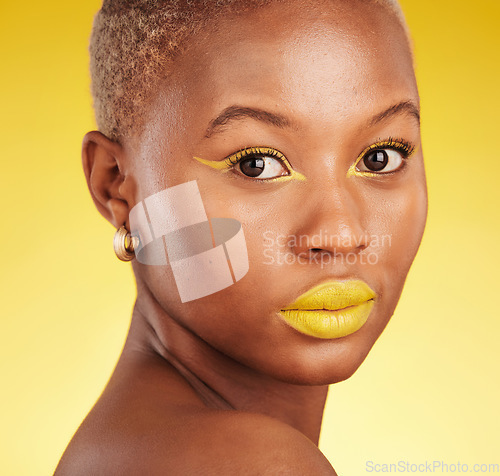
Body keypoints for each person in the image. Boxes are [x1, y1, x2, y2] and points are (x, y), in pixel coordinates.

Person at [55, 0, 427, 473]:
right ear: (118, 187)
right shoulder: (257, 462)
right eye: (257, 165)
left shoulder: (123, 447)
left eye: (381, 157)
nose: (340, 234)